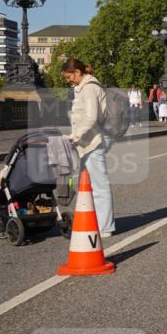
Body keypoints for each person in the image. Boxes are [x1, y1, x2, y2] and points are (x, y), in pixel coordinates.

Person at [62, 58, 115, 238]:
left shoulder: (90, 88)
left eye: (68, 76)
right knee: (88, 184)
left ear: (77, 72)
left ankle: (105, 227)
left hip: (94, 141)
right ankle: (95, 221)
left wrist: (75, 136)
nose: (67, 80)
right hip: (88, 141)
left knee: (99, 185)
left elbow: (91, 118)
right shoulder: (83, 88)